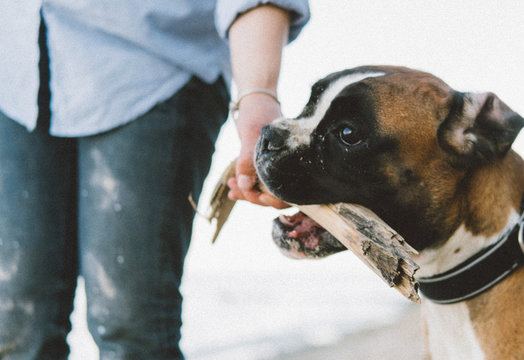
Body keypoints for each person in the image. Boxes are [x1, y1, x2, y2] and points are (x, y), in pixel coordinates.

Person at [0, 0, 307, 358]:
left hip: (155, 71)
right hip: (14, 75)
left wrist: (258, 95)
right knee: (17, 324)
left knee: (132, 327)